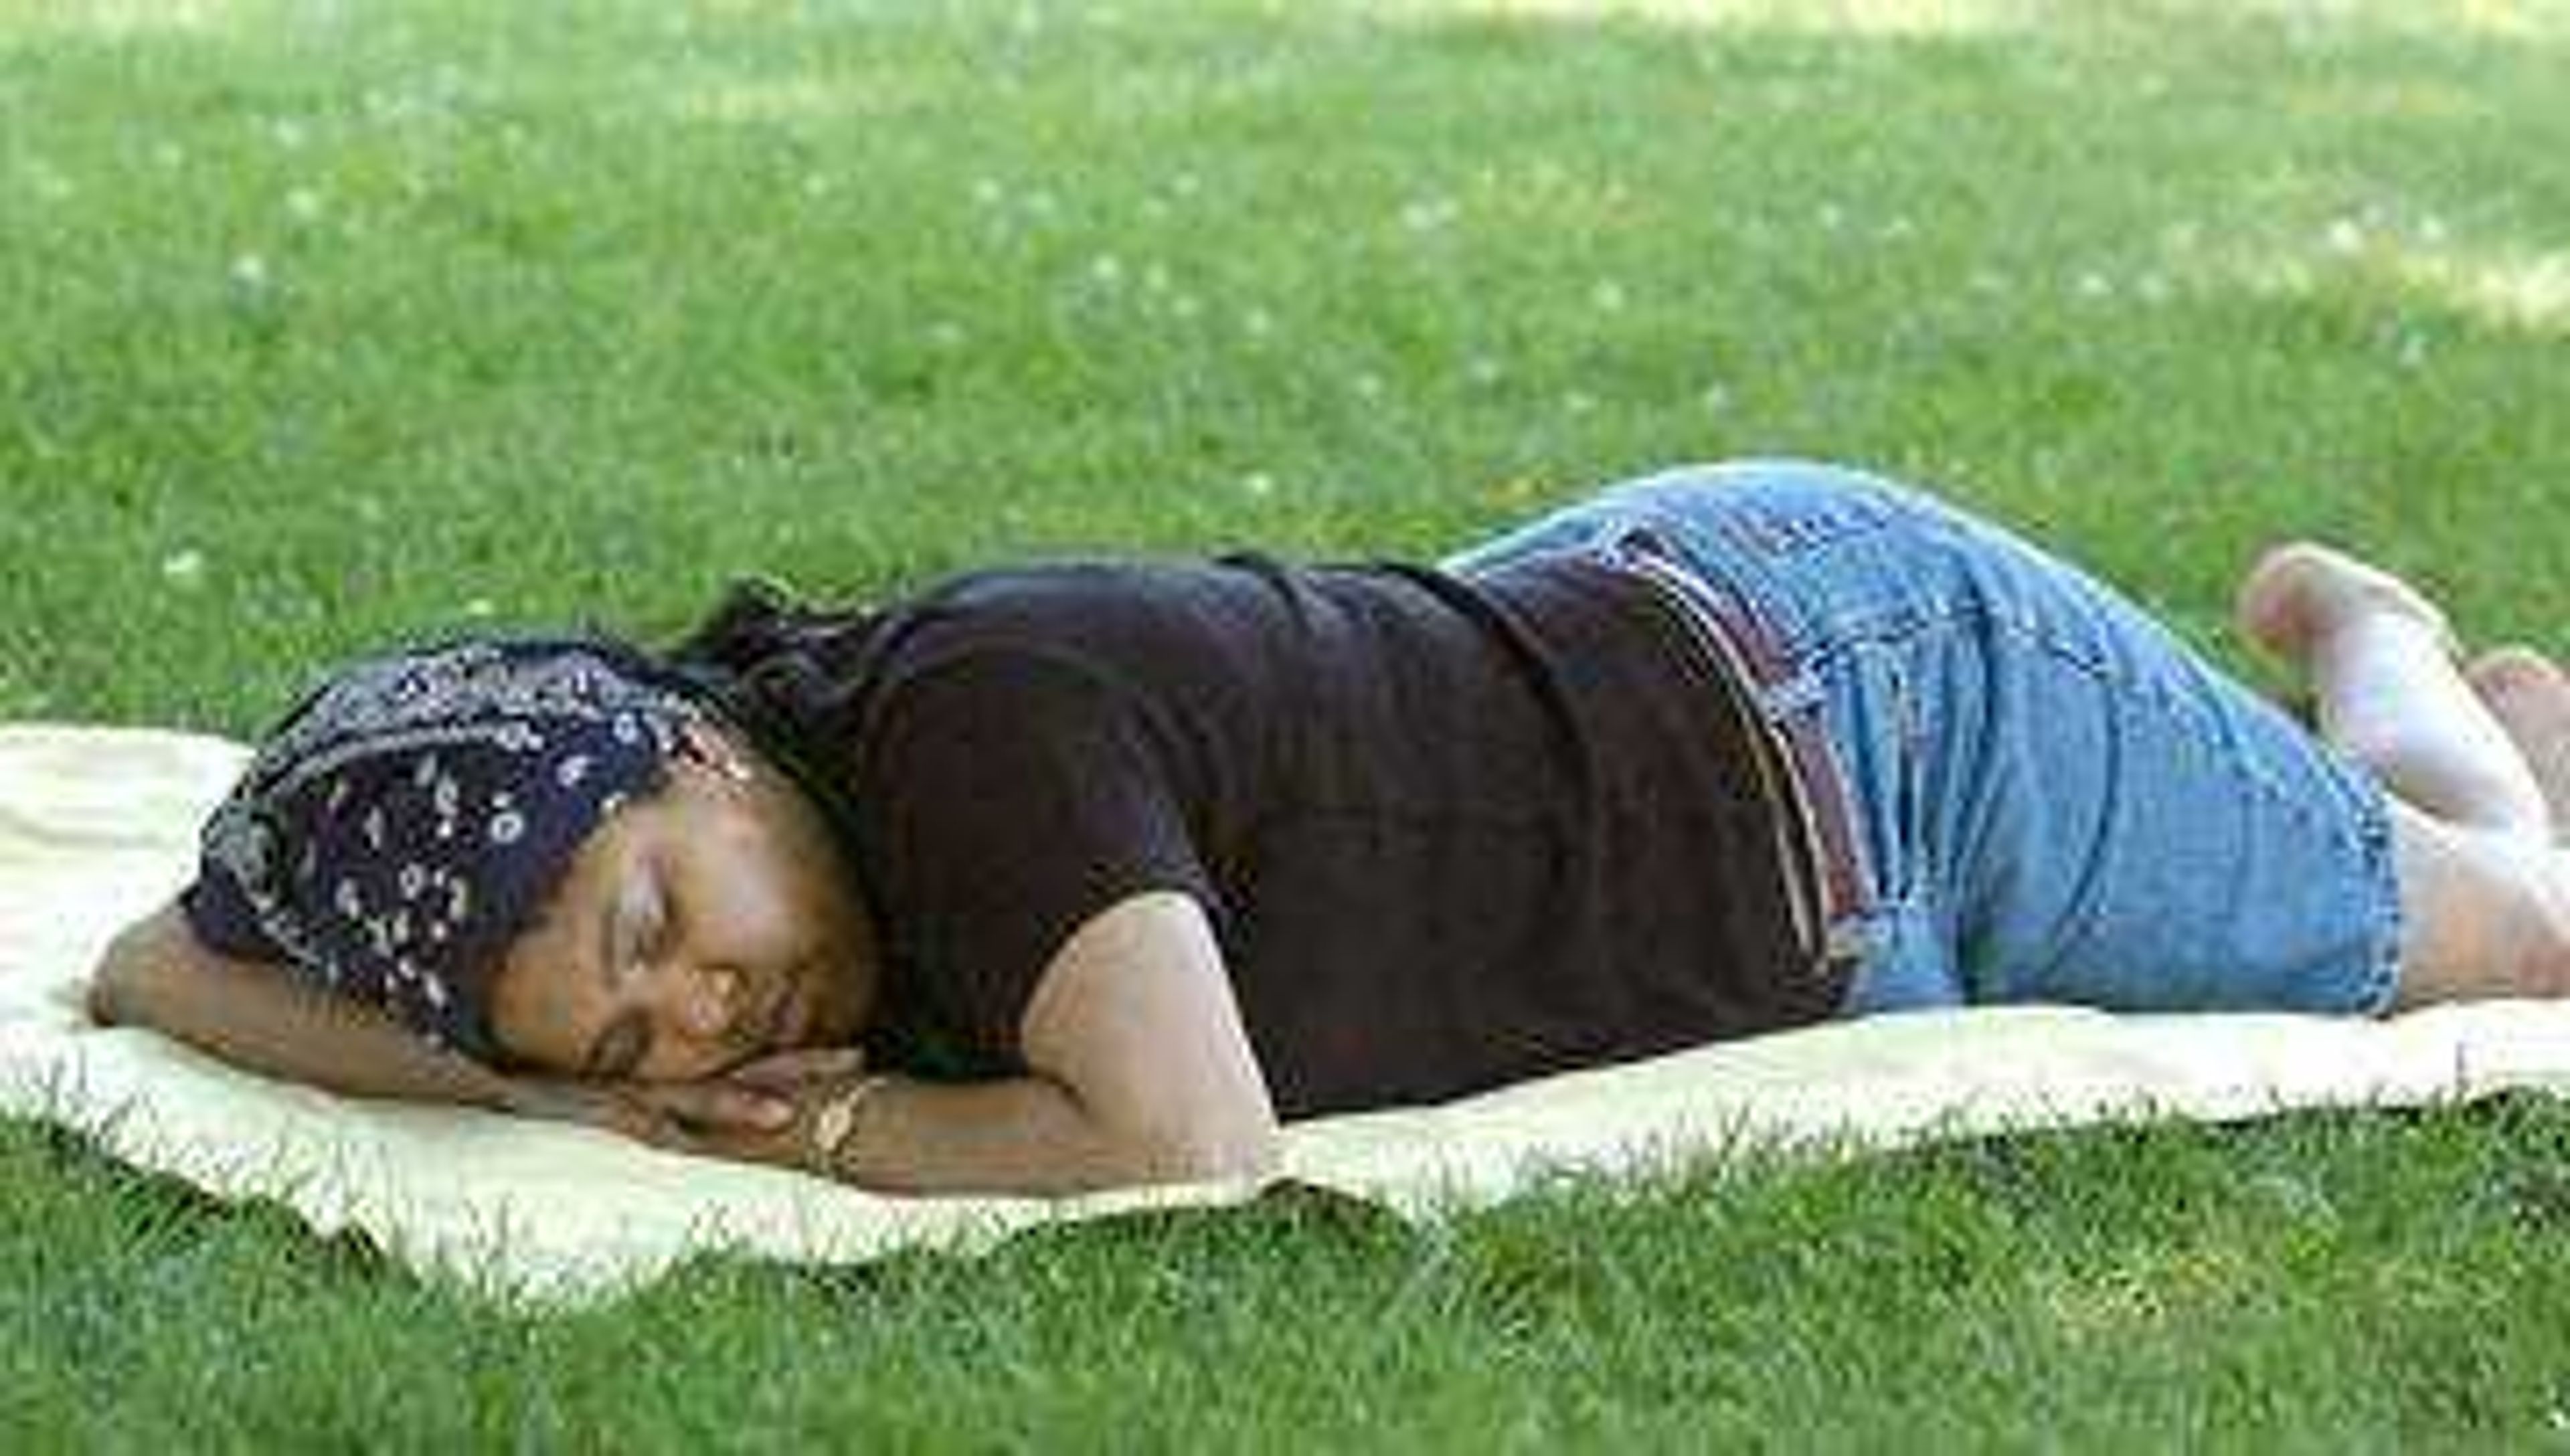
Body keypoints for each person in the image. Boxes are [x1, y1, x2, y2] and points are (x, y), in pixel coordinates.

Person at [85, 460, 2570, 1197]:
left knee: (2516, 936)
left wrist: (823, 1133)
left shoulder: (973, 734)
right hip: (1633, 711)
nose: (697, 1007)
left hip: (1875, 724)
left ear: (691, 743)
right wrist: (542, 1080)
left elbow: (1187, 1140)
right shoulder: (781, 858)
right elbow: (147, 973)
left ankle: (2391, 659)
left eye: (659, 918)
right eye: (635, 1017)